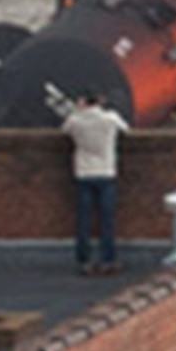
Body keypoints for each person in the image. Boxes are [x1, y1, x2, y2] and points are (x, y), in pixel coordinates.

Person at [61, 89, 131, 275]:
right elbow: (126, 129)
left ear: (82, 101)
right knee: (106, 220)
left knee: (83, 220)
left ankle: (84, 260)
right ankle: (108, 259)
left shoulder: (75, 121)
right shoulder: (110, 119)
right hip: (106, 172)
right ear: (100, 101)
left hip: (84, 173)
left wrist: (78, 111)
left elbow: (64, 130)